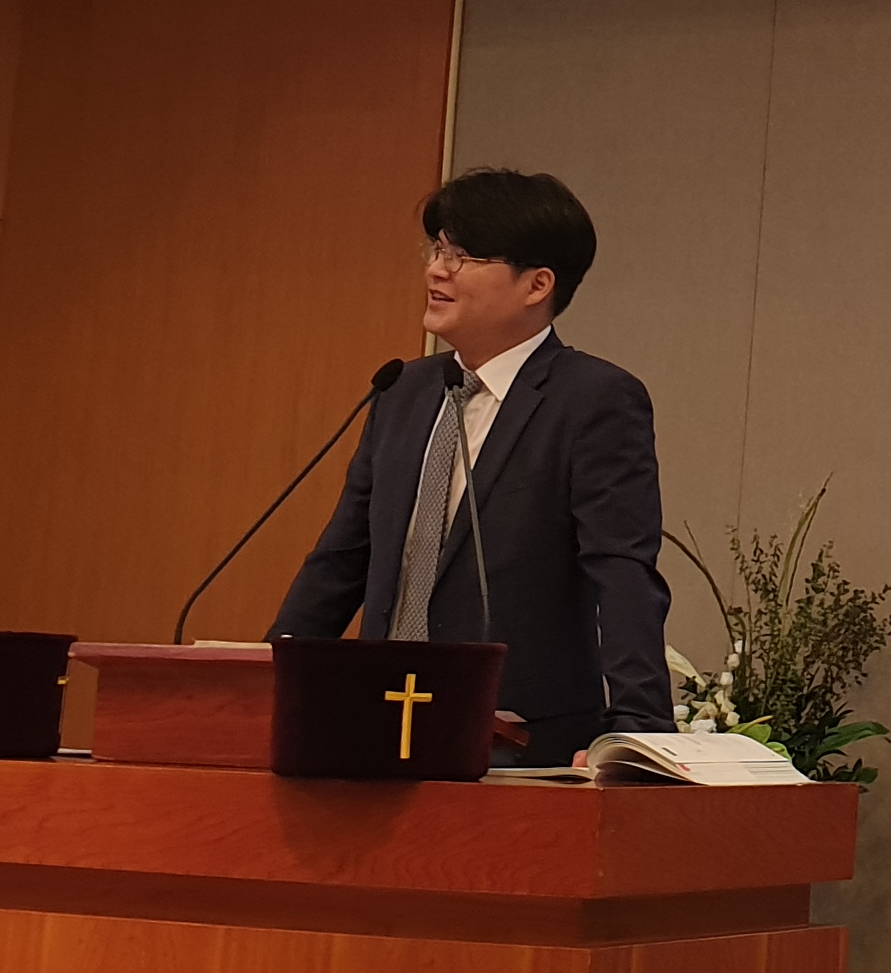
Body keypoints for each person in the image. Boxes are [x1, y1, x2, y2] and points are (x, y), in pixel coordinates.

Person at [271, 167, 674, 766]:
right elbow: (341, 561)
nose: (437, 270)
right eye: (437, 250)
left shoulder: (592, 400)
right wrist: (265, 689)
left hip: (517, 736)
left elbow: (621, 571)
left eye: (463, 256)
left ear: (537, 284)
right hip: (375, 722)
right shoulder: (403, 391)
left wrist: (639, 728)